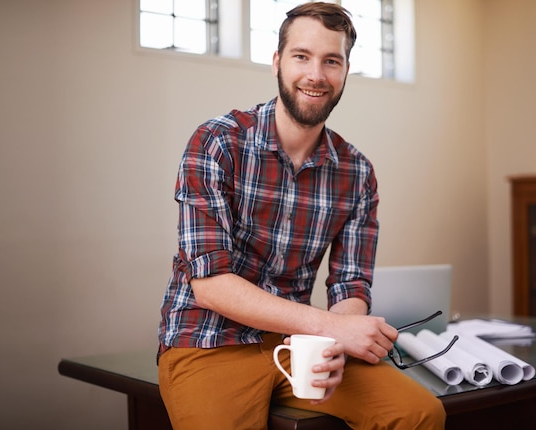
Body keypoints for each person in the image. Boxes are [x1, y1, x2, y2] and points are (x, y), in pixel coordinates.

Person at [157, 2, 446, 429]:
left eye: (332, 61)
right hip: (206, 340)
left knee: (420, 414)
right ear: (277, 61)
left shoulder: (357, 172)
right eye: (301, 57)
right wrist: (330, 327)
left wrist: (334, 340)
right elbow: (211, 285)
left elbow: (351, 282)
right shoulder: (217, 142)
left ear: (346, 70)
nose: (316, 75)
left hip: (303, 344)